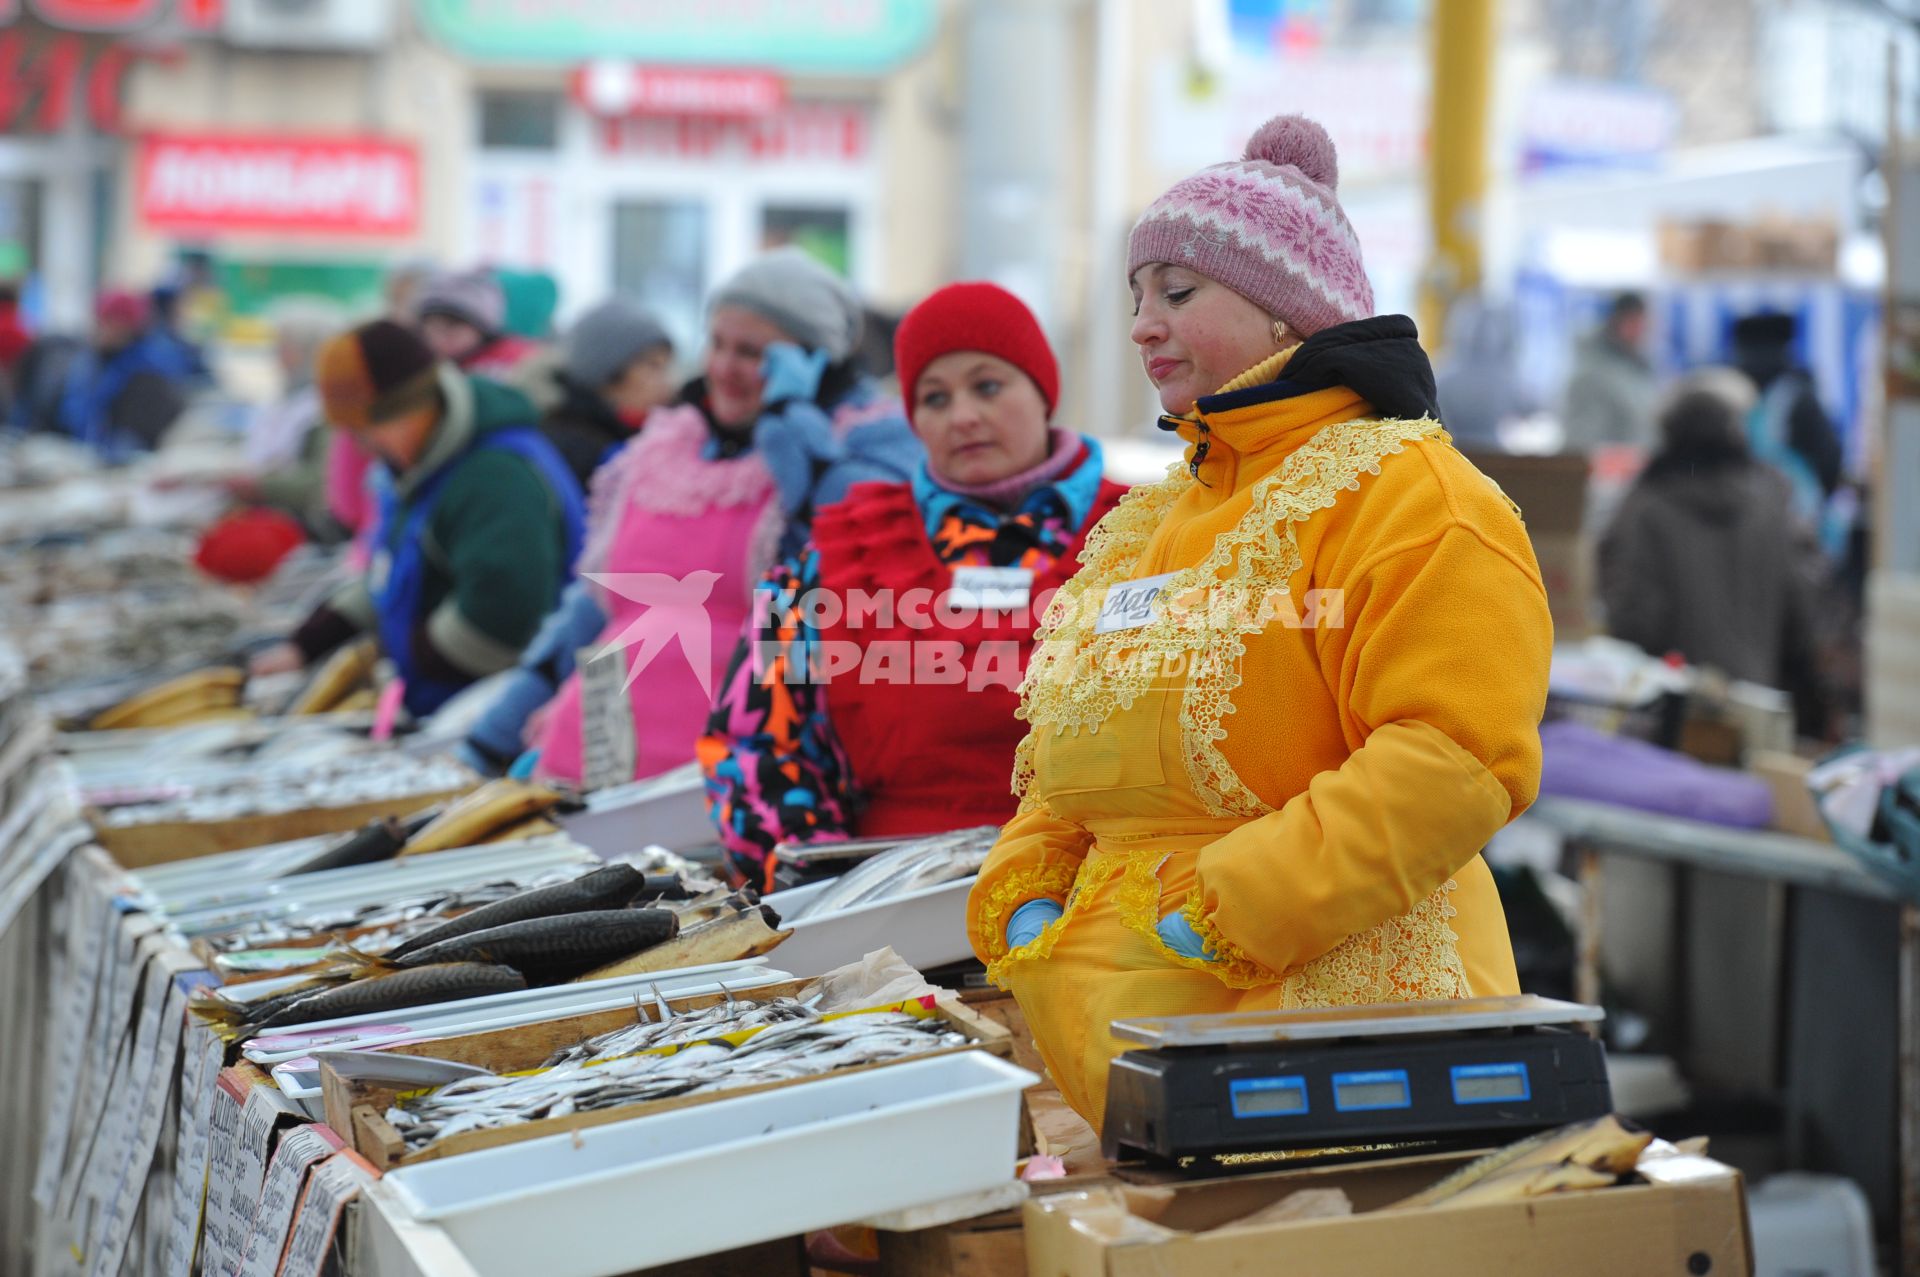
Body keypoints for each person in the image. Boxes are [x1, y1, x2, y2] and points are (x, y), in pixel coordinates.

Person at [963, 115, 1553, 1127]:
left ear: (1289, 314)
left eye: (1178, 293)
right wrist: (1033, 873)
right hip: (1136, 1066)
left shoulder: (1413, 494)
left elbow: (1456, 757)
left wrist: (1231, 905)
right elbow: (1076, 741)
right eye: (1136, 296)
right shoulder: (1152, 519)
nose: (1144, 324)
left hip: (1332, 1056)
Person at [698, 282, 1129, 889]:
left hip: (1105, 898)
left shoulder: (1151, 538)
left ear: (1042, 391)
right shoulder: (831, 558)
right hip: (895, 901)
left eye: (987, 386)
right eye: (934, 397)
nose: (963, 417)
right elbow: (752, 748)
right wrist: (824, 895)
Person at [461, 248, 920, 782]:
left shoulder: (868, 447)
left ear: (816, 362)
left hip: (731, 789)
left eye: (753, 352)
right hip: (594, 763)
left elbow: (841, 558)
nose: (723, 368)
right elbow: (588, 615)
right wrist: (490, 739)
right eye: (717, 343)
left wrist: (788, 424)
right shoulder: (669, 448)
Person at [249, 320, 585, 720]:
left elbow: (499, 628)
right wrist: (306, 644)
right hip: (440, 699)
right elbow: (391, 574)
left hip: (505, 718)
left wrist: (395, 652)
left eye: (364, 431)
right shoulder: (417, 464)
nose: (363, 448)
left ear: (410, 409)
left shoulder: (496, 477)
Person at [1600, 369, 1824, 724]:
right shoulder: (1775, 497)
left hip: (1671, 714)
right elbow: (1805, 605)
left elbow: (1634, 617)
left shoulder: (1644, 506)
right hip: (1762, 706)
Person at [228, 302, 347, 536]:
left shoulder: (324, 409)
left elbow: (319, 482)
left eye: (285, 347)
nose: (277, 355)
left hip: (301, 525)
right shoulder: (289, 399)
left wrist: (260, 486)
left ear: (311, 351)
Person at [540, 299, 677, 491]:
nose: (668, 383)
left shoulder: (641, 438)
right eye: (653, 366)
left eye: (666, 367)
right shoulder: (575, 452)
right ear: (608, 372)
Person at [1730, 311, 1845, 519]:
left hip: (1737, 514)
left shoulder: (1726, 393)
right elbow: (1830, 457)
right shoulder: (1799, 394)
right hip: (1791, 515)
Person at [57, 289, 199, 456]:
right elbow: (74, 412)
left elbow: (137, 439)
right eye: (100, 320)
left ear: (129, 327)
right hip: (86, 451)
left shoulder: (148, 373)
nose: (102, 328)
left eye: (111, 321)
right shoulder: (92, 362)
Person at [1561, 291, 1657, 452]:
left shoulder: (1636, 367)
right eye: (1633, 322)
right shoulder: (1591, 373)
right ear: (1617, 322)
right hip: (1606, 472)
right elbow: (1580, 441)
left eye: (1642, 323)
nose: (1640, 331)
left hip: (1634, 468)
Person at [416, 268, 544, 380]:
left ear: (483, 331)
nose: (439, 339)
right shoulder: (423, 363)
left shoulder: (509, 367)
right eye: (433, 328)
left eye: (452, 328)